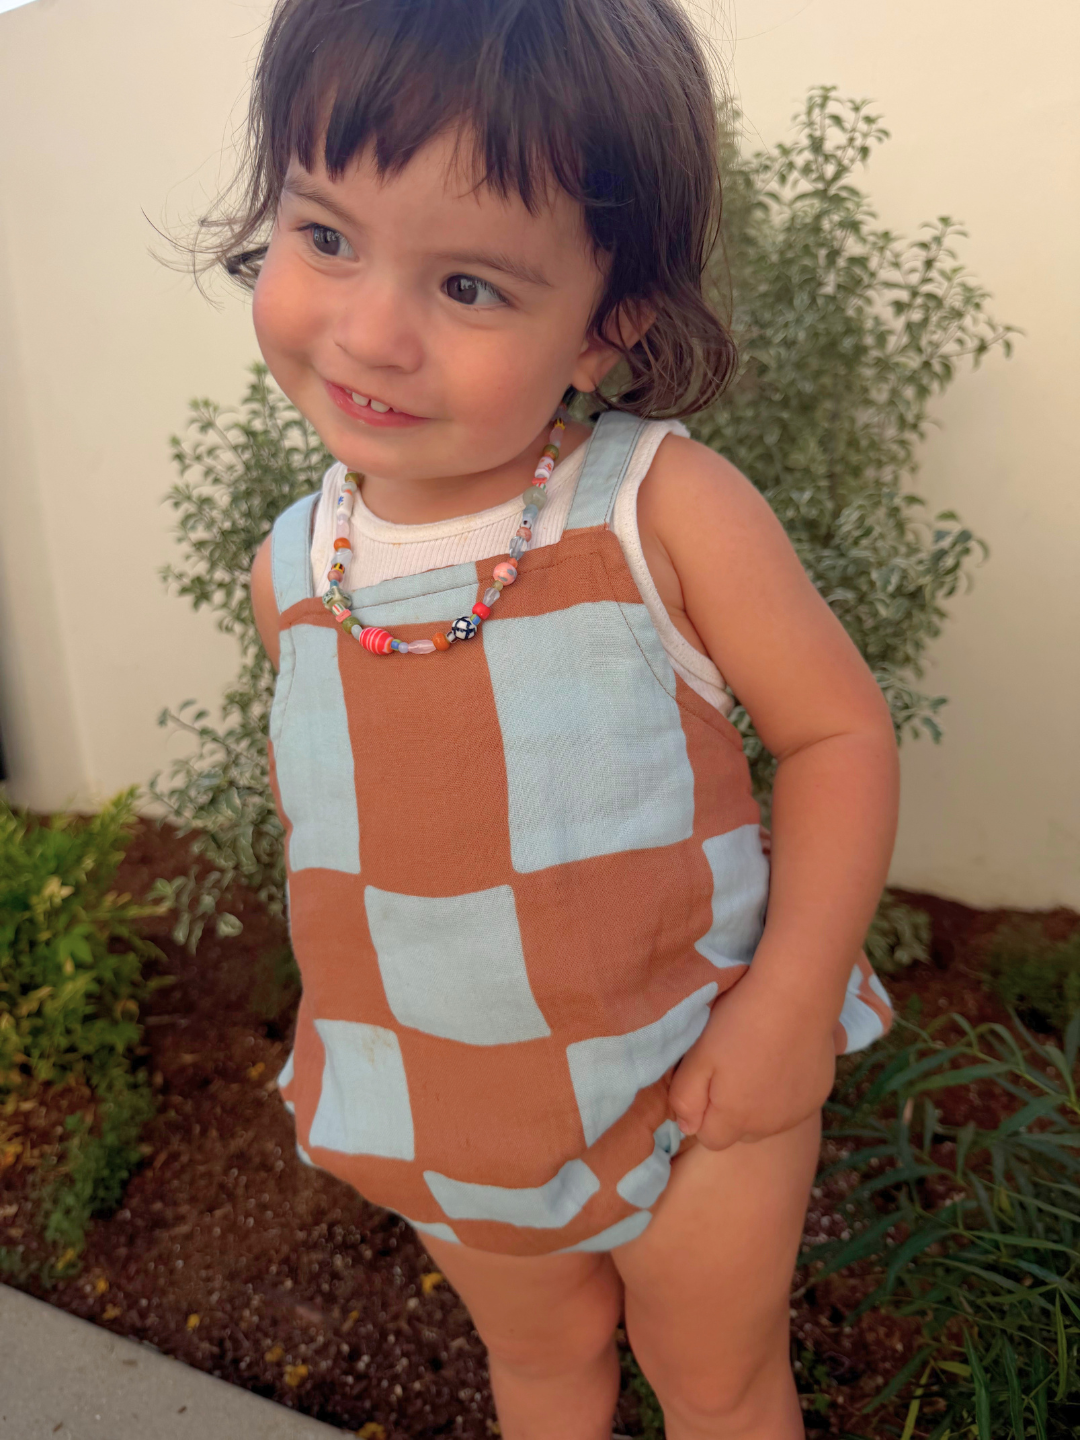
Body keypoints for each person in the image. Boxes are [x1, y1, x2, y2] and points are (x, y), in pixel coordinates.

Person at [209, 1, 900, 1434]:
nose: (372, 332)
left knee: (714, 1382)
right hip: (451, 1105)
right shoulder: (295, 563)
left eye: (469, 286)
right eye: (326, 236)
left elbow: (838, 738)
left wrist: (784, 1014)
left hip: (696, 1081)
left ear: (607, 328)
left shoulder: (660, 510)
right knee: (539, 1368)